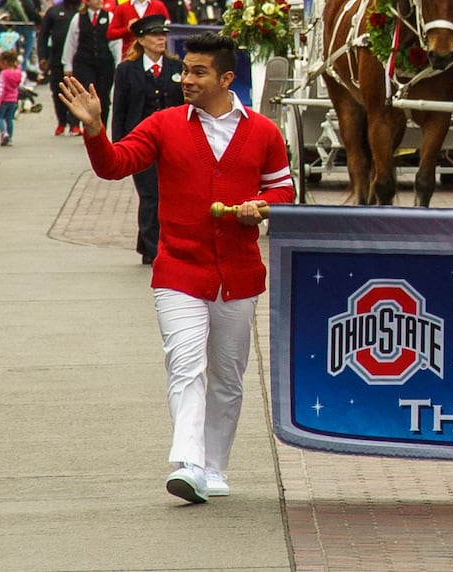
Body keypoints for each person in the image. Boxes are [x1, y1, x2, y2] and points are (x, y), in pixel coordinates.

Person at [59, 32, 293, 504]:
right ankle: (188, 464)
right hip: (179, 270)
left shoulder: (265, 131)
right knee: (185, 364)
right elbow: (115, 165)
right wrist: (93, 129)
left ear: (227, 78)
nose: (185, 78)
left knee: (227, 375)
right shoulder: (163, 124)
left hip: (239, 275)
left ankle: (213, 466)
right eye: (184, 70)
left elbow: (282, 191)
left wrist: (259, 206)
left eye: (198, 72)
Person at [112, 15, 186, 265]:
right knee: (150, 195)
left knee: (170, 195)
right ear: (141, 40)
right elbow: (119, 109)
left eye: (163, 34)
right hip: (139, 143)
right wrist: (118, 148)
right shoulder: (126, 70)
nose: (161, 39)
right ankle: (153, 248)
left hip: (173, 142)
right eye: (155, 35)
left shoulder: (177, 67)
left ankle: (157, 244)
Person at [63, 0, 118, 116]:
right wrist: (67, 64)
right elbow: (71, 42)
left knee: (103, 96)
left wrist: (118, 62)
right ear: (87, 1)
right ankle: (89, 125)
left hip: (105, 62)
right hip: (84, 62)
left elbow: (115, 42)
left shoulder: (109, 16)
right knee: (87, 95)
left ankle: (102, 126)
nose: (99, 1)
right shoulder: (78, 18)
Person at [39, 0, 83, 135]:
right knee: (58, 92)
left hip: (78, 59)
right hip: (57, 59)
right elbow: (43, 35)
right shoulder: (54, 11)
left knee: (76, 93)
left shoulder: (82, 12)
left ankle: (74, 123)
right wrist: (42, 57)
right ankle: (61, 122)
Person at [106, 0, 171, 60]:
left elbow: (168, 29)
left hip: (155, 58)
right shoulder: (122, 8)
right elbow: (110, 34)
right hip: (130, 59)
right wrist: (127, 29)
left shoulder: (159, 6)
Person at [0, 49, 24, 147]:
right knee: (9, 119)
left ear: (5, 62)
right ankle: (10, 137)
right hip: (13, 99)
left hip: (4, 99)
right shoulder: (18, 72)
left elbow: (1, 87)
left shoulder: (4, 73)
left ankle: (4, 133)